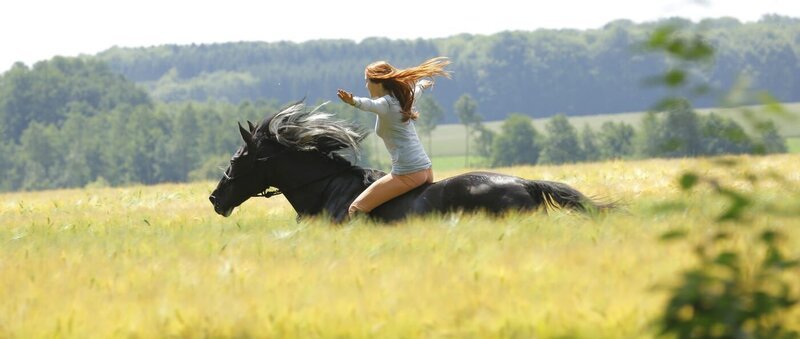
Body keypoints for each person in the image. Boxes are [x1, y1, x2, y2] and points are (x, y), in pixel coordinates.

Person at [337, 56, 451, 218]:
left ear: (379, 82)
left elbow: (370, 105)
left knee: (355, 209)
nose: (366, 85)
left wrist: (353, 101)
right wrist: (421, 85)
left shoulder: (386, 104)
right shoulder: (402, 98)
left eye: (367, 81)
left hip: (408, 172)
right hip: (425, 170)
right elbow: (416, 92)